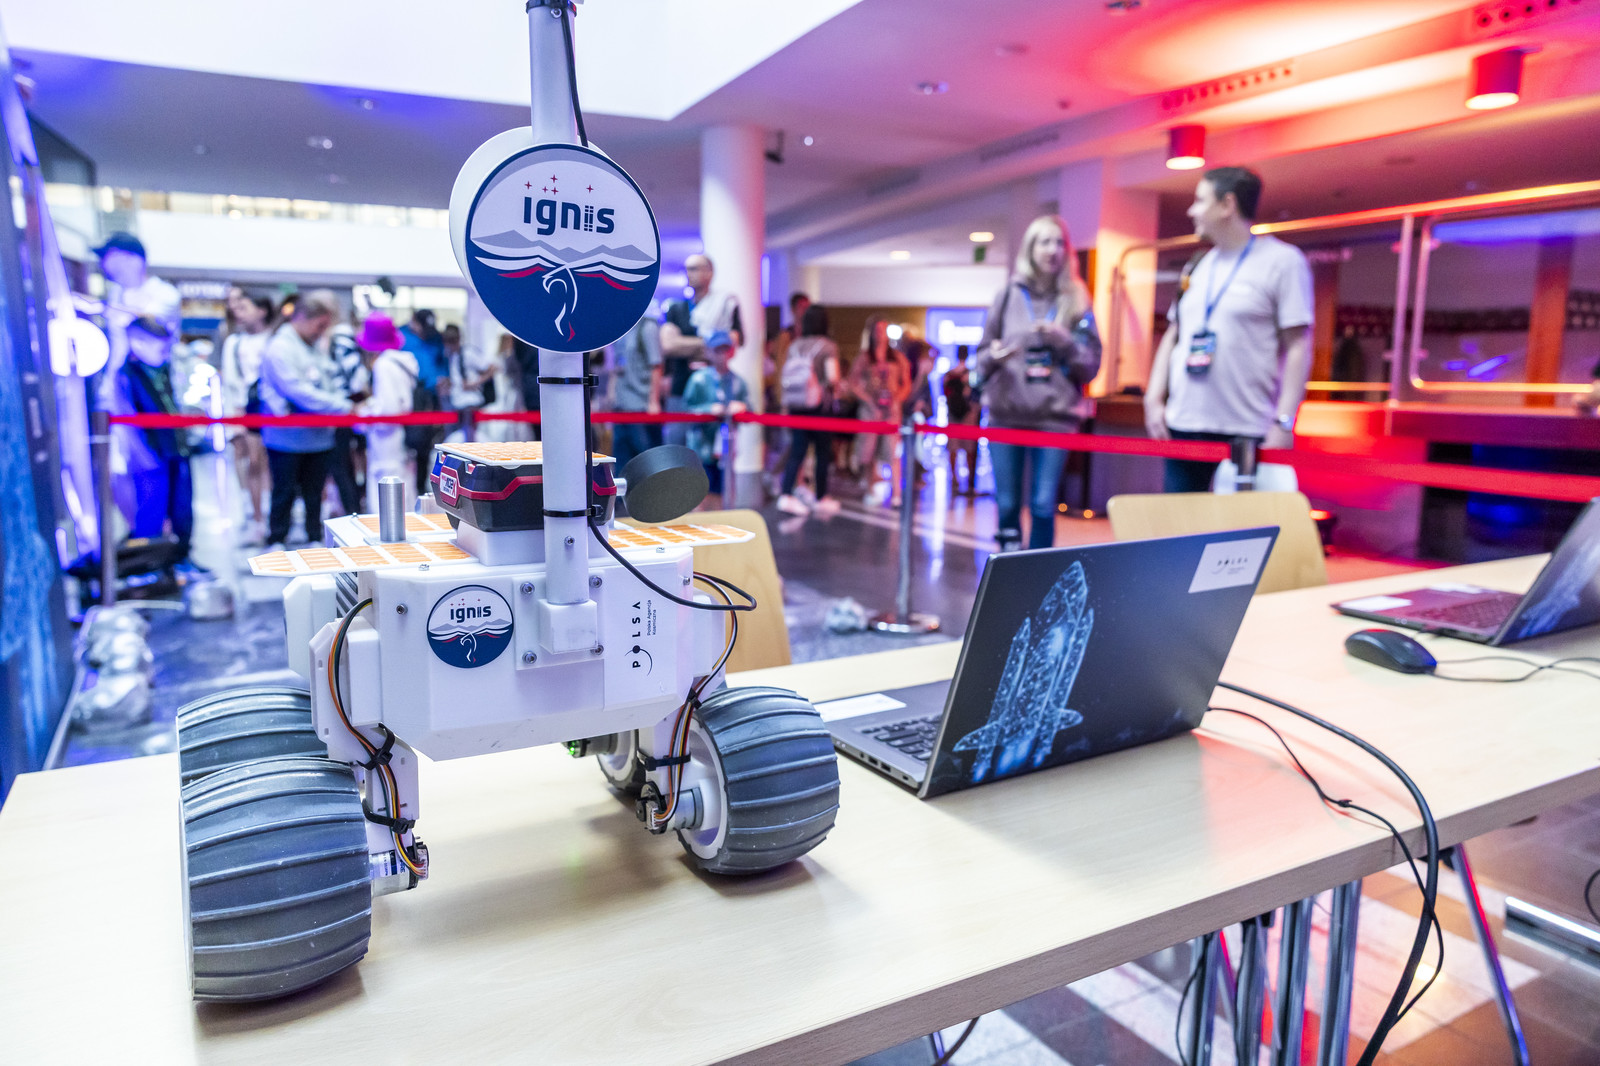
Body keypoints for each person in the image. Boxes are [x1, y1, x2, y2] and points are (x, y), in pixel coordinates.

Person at [1143, 166, 1314, 493]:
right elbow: (1174, 335)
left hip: (1245, 429)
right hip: (1183, 425)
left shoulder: (1282, 262)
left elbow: (1298, 347)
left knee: (1238, 525)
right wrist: (1153, 398)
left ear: (1227, 205)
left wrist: (1284, 422)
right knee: (1179, 523)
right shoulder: (1197, 265)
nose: (1192, 211)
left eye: (1200, 201)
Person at [974, 214, 1102, 551]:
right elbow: (981, 357)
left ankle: (1037, 573)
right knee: (1007, 504)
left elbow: (1091, 365)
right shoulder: (1007, 295)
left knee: (1044, 505)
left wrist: (1064, 341)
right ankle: (1009, 569)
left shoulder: (1078, 298)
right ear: (1030, 249)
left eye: (1059, 242)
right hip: (1006, 414)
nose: (1052, 249)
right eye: (1045, 242)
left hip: (1055, 419)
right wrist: (996, 356)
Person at [258, 289, 352, 548]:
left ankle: (313, 536)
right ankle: (277, 537)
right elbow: (297, 391)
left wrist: (337, 402)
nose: (322, 332)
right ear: (303, 317)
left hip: (319, 437)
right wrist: (342, 406)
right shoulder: (279, 348)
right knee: (284, 491)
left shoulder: (315, 346)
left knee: (314, 492)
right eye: (320, 325)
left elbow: (328, 381)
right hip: (285, 439)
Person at [108, 316, 197, 570]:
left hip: (175, 449)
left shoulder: (164, 370)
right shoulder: (125, 376)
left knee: (182, 510)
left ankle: (180, 560)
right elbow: (127, 422)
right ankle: (148, 568)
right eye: (160, 348)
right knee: (151, 514)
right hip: (149, 458)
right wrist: (145, 457)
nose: (164, 353)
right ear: (137, 342)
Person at [660, 253, 743, 445]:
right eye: (687, 269)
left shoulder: (725, 305)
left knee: (710, 449)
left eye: (694, 269)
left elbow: (732, 342)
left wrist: (684, 344)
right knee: (676, 446)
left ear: (709, 273)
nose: (689, 274)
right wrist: (709, 342)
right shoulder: (676, 309)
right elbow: (668, 346)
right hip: (680, 388)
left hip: (713, 390)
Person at [92, 233, 181, 409]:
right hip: (121, 388)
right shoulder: (116, 294)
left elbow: (156, 325)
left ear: (134, 259)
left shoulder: (165, 293)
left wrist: (102, 308)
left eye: (110, 256)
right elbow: (117, 347)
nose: (105, 263)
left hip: (155, 386)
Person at [218, 288, 275, 543]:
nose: (238, 313)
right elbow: (231, 381)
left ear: (261, 310)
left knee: (271, 463)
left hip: (272, 409)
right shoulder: (234, 342)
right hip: (246, 408)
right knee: (252, 461)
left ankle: (271, 514)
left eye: (244, 308)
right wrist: (234, 415)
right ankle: (257, 518)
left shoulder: (274, 338)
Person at [775, 303, 842, 518]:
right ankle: (821, 496)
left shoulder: (795, 346)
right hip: (820, 406)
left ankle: (786, 493)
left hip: (796, 405)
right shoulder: (828, 346)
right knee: (822, 452)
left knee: (797, 451)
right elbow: (833, 378)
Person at [353, 314, 420, 508]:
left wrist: (364, 414)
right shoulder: (400, 363)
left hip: (386, 444)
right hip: (400, 439)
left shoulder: (383, 365)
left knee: (387, 495)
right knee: (404, 488)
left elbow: (388, 411)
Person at [847, 314, 912, 506]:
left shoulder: (897, 358)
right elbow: (853, 383)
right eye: (877, 330)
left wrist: (896, 399)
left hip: (891, 412)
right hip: (871, 412)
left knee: (892, 453)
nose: (880, 334)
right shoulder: (864, 358)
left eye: (883, 330)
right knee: (869, 452)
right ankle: (870, 489)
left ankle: (897, 493)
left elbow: (906, 384)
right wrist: (868, 400)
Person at [683, 331, 749, 499]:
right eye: (718, 350)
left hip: (725, 449)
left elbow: (749, 409)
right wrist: (708, 410)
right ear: (709, 352)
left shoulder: (737, 381)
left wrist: (742, 408)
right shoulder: (699, 380)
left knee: (723, 494)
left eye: (726, 349)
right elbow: (685, 411)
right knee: (699, 495)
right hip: (701, 448)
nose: (722, 355)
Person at [607, 310, 664, 473]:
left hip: (640, 406)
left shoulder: (647, 326)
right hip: (621, 406)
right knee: (621, 462)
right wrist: (612, 395)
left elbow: (656, 365)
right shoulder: (619, 327)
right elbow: (617, 365)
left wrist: (654, 401)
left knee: (645, 463)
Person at [401, 309, 446, 490]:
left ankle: (420, 487)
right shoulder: (401, 336)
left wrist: (443, 379)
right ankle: (407, 487)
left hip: (429, 399)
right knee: (406, 444)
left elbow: (442, 364)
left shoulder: (435, 338)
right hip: (407, 396)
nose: (425, 332)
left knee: (425, 445)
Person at [943, 346, 979, 496]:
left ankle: (960, 480)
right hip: (962, 415)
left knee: (962, 448)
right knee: (960, 448)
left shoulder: (952, 374)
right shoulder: (962, 374)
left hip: (964, 415)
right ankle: (962, 481)